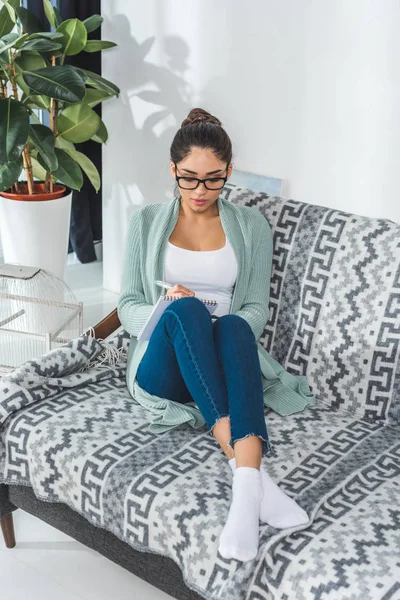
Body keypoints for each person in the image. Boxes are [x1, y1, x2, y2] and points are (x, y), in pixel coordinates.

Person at [118, 108, 310, 563]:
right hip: (163, 365)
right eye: (188, 178)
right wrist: (167, 306)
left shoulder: (251, 227)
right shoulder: (146, 222)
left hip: (222, 357)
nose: (200, 191)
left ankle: (247, 488)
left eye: (213, 179)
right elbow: (127, 304)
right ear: (172, 170)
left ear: (229, 171)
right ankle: (253, 482)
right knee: (185, 308)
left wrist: (223, 323)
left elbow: (257, 307)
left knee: (236, 325)